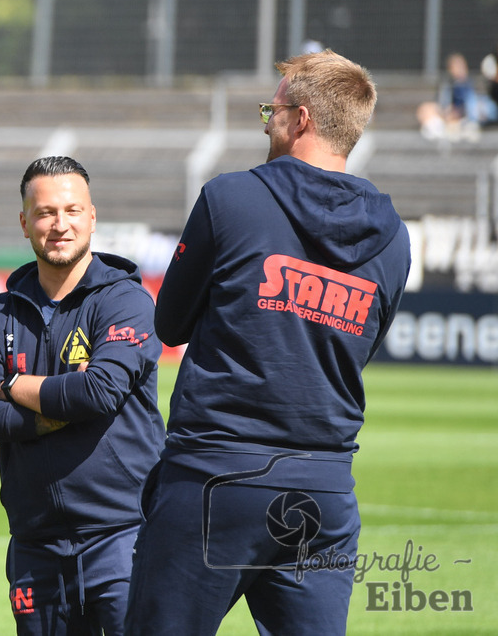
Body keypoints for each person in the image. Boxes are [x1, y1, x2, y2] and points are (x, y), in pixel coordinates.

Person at [125, 50, 410, 635]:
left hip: (215, 475)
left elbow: (170, 323)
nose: (266, 121)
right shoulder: (395, 239)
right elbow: (356, 350)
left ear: (300, 118)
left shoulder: (231, 198)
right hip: (324, 490)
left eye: (271, 109)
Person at [0, 155, 165, 635]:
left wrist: (12, 387)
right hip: (34, 545)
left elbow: (97, 393)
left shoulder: (125, 301)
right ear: (25, 222)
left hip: (124, 535)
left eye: (72, 211)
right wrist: (49, 415)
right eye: (46, 213)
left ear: (92, 217)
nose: (60, 225)